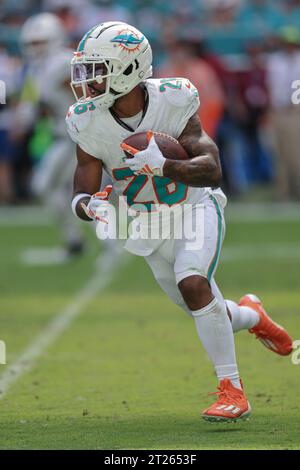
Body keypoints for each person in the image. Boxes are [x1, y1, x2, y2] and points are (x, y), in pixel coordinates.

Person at [66, 21, 293, 423]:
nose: (89, 80)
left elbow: (212, 169)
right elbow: (83, 189)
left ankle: (233, 391)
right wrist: (92, 207)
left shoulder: (174, 99)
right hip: (148, 224)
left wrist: (166, 165)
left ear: (129, 69)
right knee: (201, 306)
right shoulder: (87, 120)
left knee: (193, 282)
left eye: (98, 69)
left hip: (194, 207)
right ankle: (253, 315)